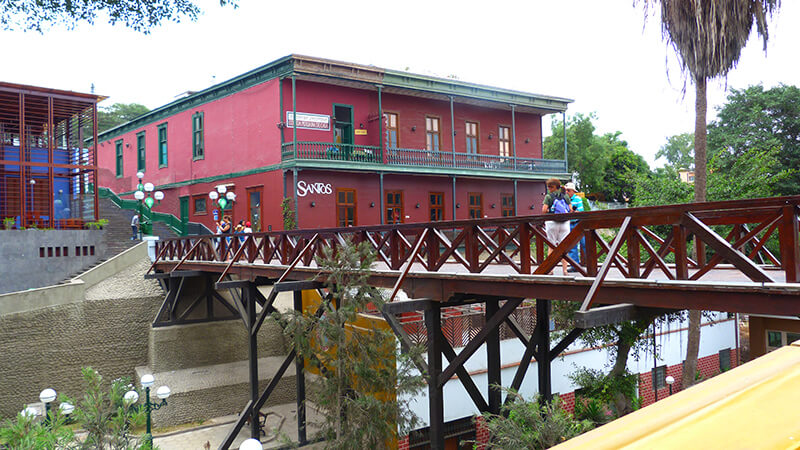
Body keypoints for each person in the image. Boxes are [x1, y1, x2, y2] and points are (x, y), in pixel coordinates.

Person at [541, 178, 571, 275]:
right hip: (565, 223)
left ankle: (550, 269)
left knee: (551, 246)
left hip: (551, 223)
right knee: (564, 247)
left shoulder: (549, 196)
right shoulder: (565, 196)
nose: (549, 188)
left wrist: (550, 210)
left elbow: (544, 210)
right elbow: (570, 209)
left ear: (554, 187)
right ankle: (565, 270)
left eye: (550, 186)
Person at [564, 182, 585, 272]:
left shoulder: (578, 199)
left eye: (568, 190)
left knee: (584, 243)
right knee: (572, 245)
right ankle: (574, 265)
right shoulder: (564, 199)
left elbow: (580, 211)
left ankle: (591, 263)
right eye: (566, 190)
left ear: (573, 191)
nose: (567, 192)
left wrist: (572, 211)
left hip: (578, 223)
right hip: (568, 223)